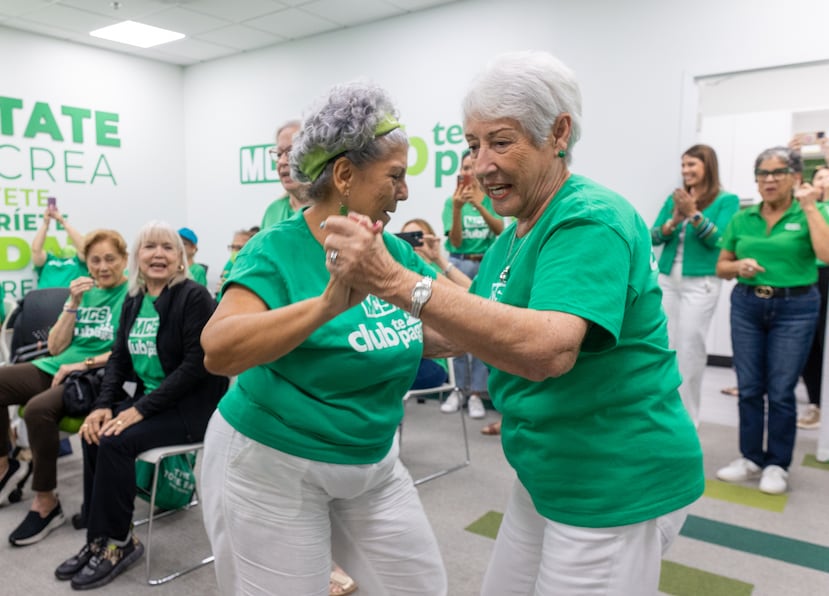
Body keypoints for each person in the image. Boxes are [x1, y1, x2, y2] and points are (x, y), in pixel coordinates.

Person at [323, 51, 703, 595]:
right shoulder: (517, 232)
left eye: (501, 142)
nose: (481, 165)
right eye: (473, 146)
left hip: (610, 477)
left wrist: (396, 281)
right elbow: (463, 329)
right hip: (547, 470)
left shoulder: (588, 218)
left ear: (559, 133)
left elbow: (548, 350)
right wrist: (331, 334)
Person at [200, 81, 447, 596]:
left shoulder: (392, 252)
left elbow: (439, 328)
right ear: (344, 175)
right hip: (273, 461)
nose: (404, 193)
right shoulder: (276, 249)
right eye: (395, 177)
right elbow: (218, 349)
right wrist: (325, 307)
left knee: (421, 587)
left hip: (372, 460)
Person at [55, 221, 228, 590]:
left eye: (168, 248)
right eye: (149, 247)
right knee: (93, 432)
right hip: (151, 403)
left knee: (117, 442)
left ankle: (120, 543)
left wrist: (139, 410)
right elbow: (118, 358)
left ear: (181, 259)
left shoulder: (193, 297)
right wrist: (103, 406)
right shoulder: (134, 300)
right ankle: (99, 537)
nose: (158, 254)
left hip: (191, 409)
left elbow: (196, 366)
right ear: (137, 257)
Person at [0, 230, 129, 545]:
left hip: (96, 377)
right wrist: (72, 303)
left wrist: (81, 365)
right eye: (95, 260)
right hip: (57, 367)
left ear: (124, 260)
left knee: (39, 410)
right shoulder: (85, 293)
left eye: (110, 259)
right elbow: (56, 348)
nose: (102, 266)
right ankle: (5, 463)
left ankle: (46, 502)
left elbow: (127, 351)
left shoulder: (133, 296)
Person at [715, 146, 829, 495]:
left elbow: (825, 255)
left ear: (796, 177)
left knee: (780, 391)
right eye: (762, 173)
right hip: (748, 303)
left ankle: (777, 464)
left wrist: (809, 206)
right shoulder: (743, 217)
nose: (768, 180)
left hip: (796, 306)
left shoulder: (815, 210)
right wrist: (739, 266)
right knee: (749, 386)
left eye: (777, 173)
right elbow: (721, 266)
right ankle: (750, 457)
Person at [650, 145, 740, 426]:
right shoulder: (676, 198)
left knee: (690, 350)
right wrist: (674, 220)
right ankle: (661, 417)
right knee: (663, 347)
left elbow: (722, 241)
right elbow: (653, 236)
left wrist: (695, 215)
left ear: (708, 167)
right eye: (684, 166)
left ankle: (687, 422)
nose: (686, 171)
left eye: (692, 165)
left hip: (701, 284)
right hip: (667, 281)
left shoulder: (727, 200)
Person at [440, 150, 503, 419]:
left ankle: (477, 393)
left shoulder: (490, 200)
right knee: (455, 329)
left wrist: (479, 204)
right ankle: (459, 389)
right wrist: (457, 209)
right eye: (464, 167)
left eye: (472, 166)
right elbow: (454, 242)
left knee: (480, 331)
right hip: (459, 263)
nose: (469, 171)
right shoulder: (451, 203)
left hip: (485, 265)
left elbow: (502, 231)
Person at [798, 164, 829, 430]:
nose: (824, 181)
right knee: (810, 344)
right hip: (810, 277)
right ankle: (816, 404)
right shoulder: (805, 209)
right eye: (819, 177)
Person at [261, 120, 312, 229]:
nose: (282, 161)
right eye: (279, 154)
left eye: (291, 152)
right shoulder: (273, 212)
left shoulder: (333, 209)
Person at [32, 205, 88, 289]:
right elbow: (36, 250)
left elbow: (84, 248)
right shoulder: (47, 261)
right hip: (44, 298)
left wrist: (62, 221)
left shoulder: (80, 263)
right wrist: (45, 224)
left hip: (71, 299)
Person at [215, 226, 259, 295]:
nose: (234, 251)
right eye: (232, 247)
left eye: (239, 248)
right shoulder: (230, 263)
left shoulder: (256, 270)